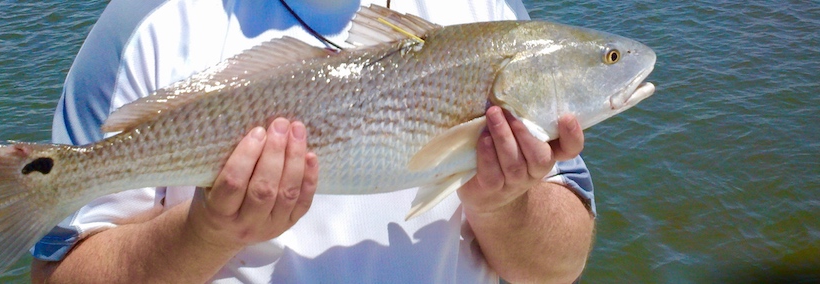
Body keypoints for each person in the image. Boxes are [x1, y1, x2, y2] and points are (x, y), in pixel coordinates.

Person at [31, 0, 596, 283]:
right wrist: (206, 234)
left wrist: (504, 205)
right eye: (608, 60)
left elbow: (559, 268)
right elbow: (57, 276)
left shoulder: (489, 14)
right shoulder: (143, 23)